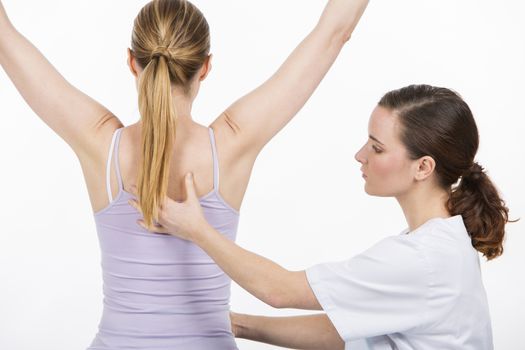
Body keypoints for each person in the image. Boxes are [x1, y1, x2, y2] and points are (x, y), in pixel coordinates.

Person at [0, 0, 370, 348]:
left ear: (132, 62)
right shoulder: (232, 143)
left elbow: (5, 40)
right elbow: (333, 34)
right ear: (205, 67)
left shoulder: (102, 144)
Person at [130, 84, 514, 350]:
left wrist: (196, 229)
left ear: (423, 167)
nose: (360, 154)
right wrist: (234, 324)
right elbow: (352, 334)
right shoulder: (440, 242)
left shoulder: (421, 260)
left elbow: (280, 291)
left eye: (377, 148)